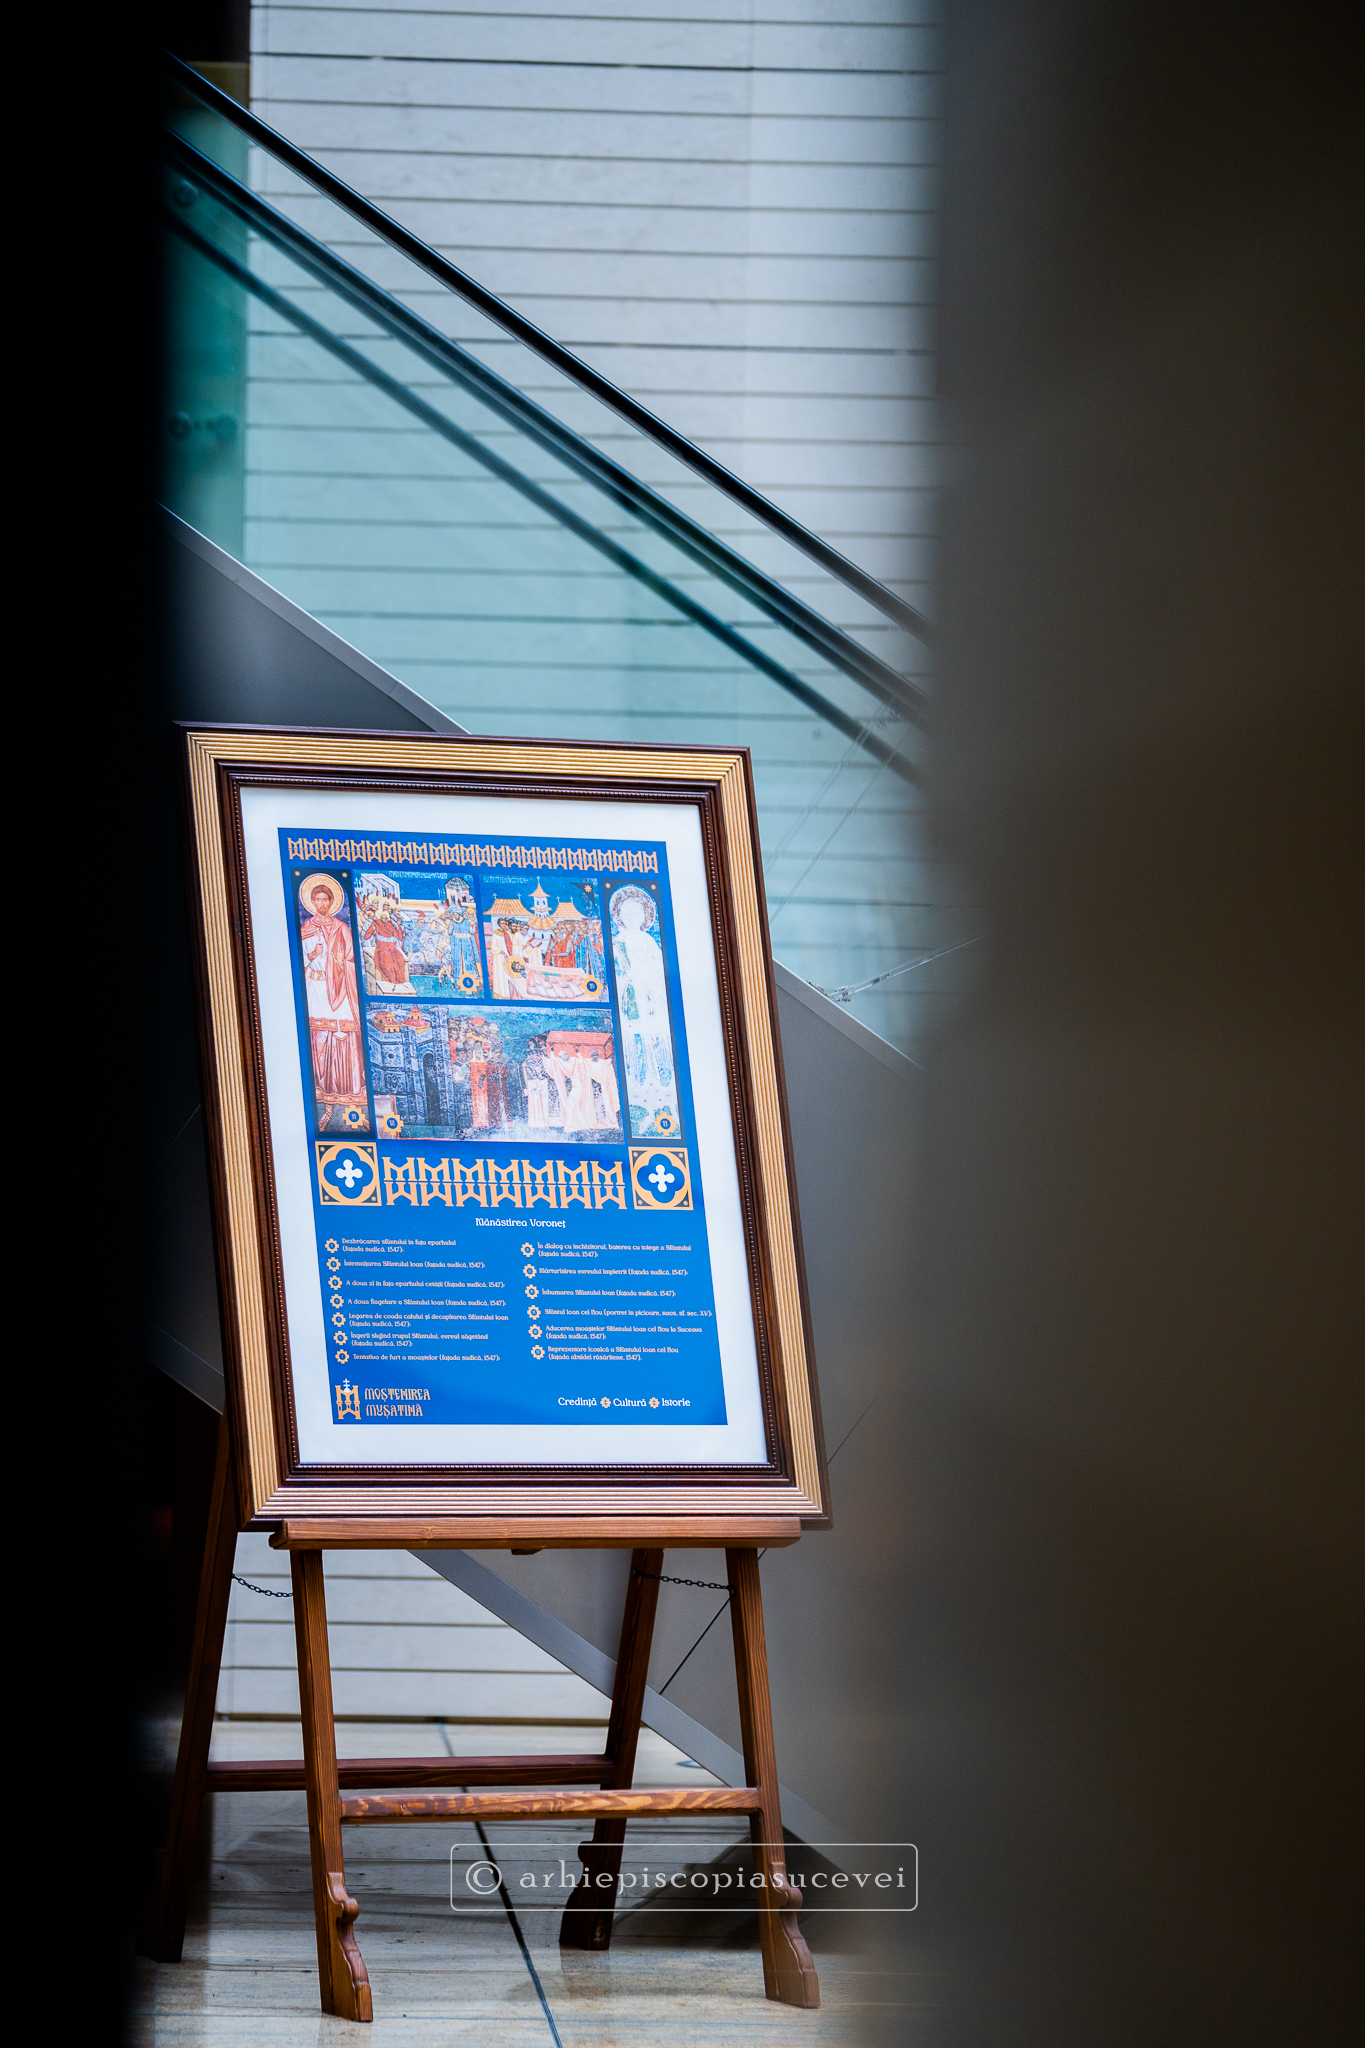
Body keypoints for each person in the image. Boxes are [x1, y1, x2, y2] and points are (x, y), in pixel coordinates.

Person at [610, 887, 678, 1132]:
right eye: (626, 913)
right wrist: (628, 981)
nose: (631, 917)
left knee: (658, 1048)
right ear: (618, 915)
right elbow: (616, 975)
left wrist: (652, 990)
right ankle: (640, 1104)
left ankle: (665, 1103)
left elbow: (662, 973)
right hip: (631, 1006)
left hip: (652, 1005)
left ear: (645, 915)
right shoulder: (616, 943)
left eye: (636, 912)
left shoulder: (649, 941)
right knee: (636, 1050)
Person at [299, 877, 365, 1121]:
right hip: (316, 988)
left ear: (331, 902)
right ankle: (324, 1096)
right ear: (312, 902)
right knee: (320, 1036)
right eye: (317, 900)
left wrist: (340, 965)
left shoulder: (342, 928)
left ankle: (349, 1092)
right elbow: (296, 963)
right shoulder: (305, 929)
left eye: (325, 899)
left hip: (340, 989)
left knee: (345, 1034)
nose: (322, 903)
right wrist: (312, 955)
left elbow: (352, 959)